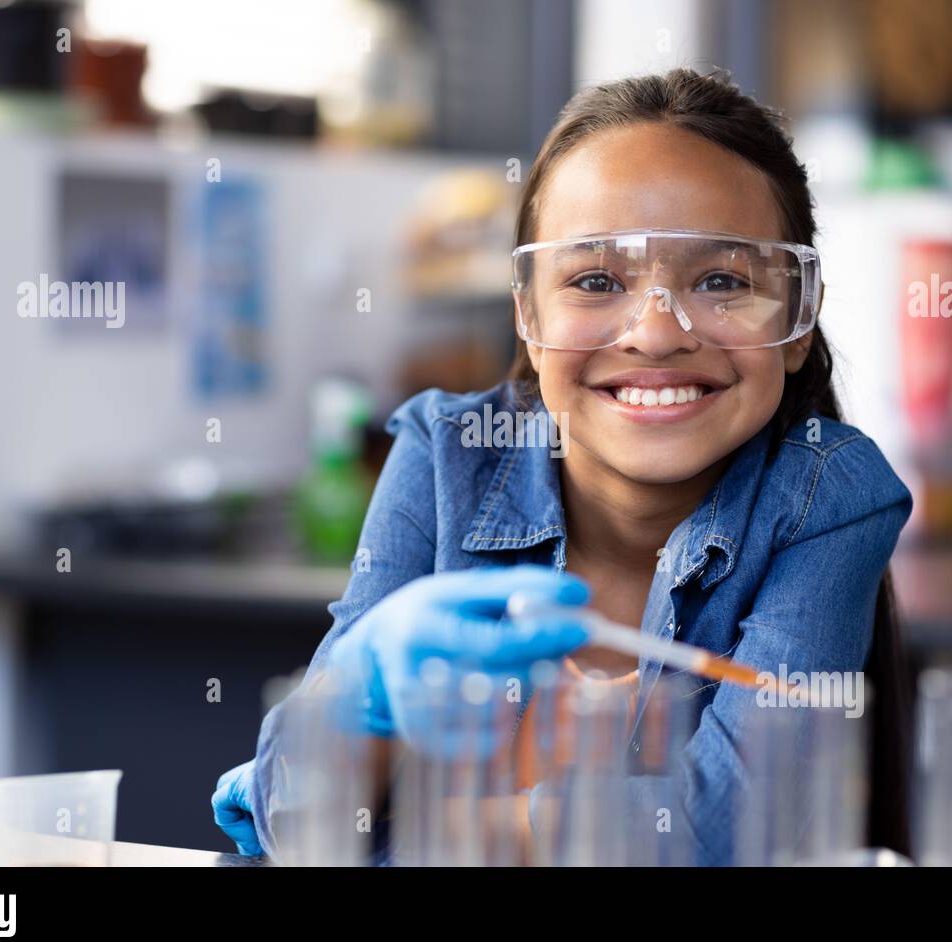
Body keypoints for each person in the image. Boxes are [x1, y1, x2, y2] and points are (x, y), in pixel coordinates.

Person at [213, 67, 913, 865]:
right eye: (595, 280)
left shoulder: (829, 492)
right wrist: (356, 700)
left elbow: (725, 831)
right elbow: (293, 818)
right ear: (529, 312)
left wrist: (433, 835)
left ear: (796, 318)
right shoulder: (446, 454)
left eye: (722, 280)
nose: (655, 334)